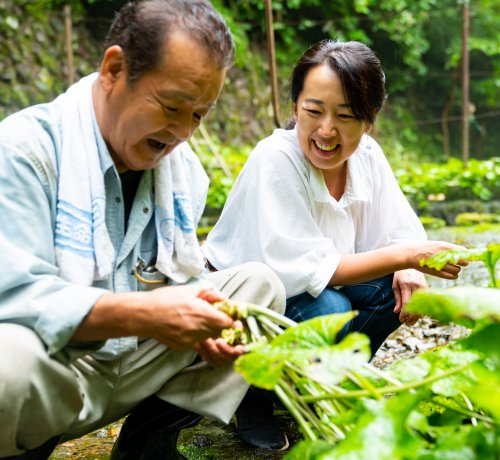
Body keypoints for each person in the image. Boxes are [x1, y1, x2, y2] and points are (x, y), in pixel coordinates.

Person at [0, 1, 286, 459]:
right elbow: (12, 299)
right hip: (56, 372)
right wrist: (147, 314)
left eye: (198, 115)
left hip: (128, 364)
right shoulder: (25, 152)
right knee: (5, 357)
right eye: (172, 106)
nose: (181, 132)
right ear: (114, 69)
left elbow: (178, 280)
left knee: (258, 288)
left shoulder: (184, 172)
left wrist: (200, 324)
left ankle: (149, 443)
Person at [203, 39, 466, 450]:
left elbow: (400, 231)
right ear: (295, 108)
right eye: (313, 111)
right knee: (331, 307)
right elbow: (309, 271)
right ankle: (252, 394)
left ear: (369, 119)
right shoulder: (275, 158)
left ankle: (321, 383)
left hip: (312, 291)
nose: (326, 130)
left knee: (391, 289)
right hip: (250, 309)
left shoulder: (367, 157)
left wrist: (409, 266)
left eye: (345, 116)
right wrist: (410, 255)